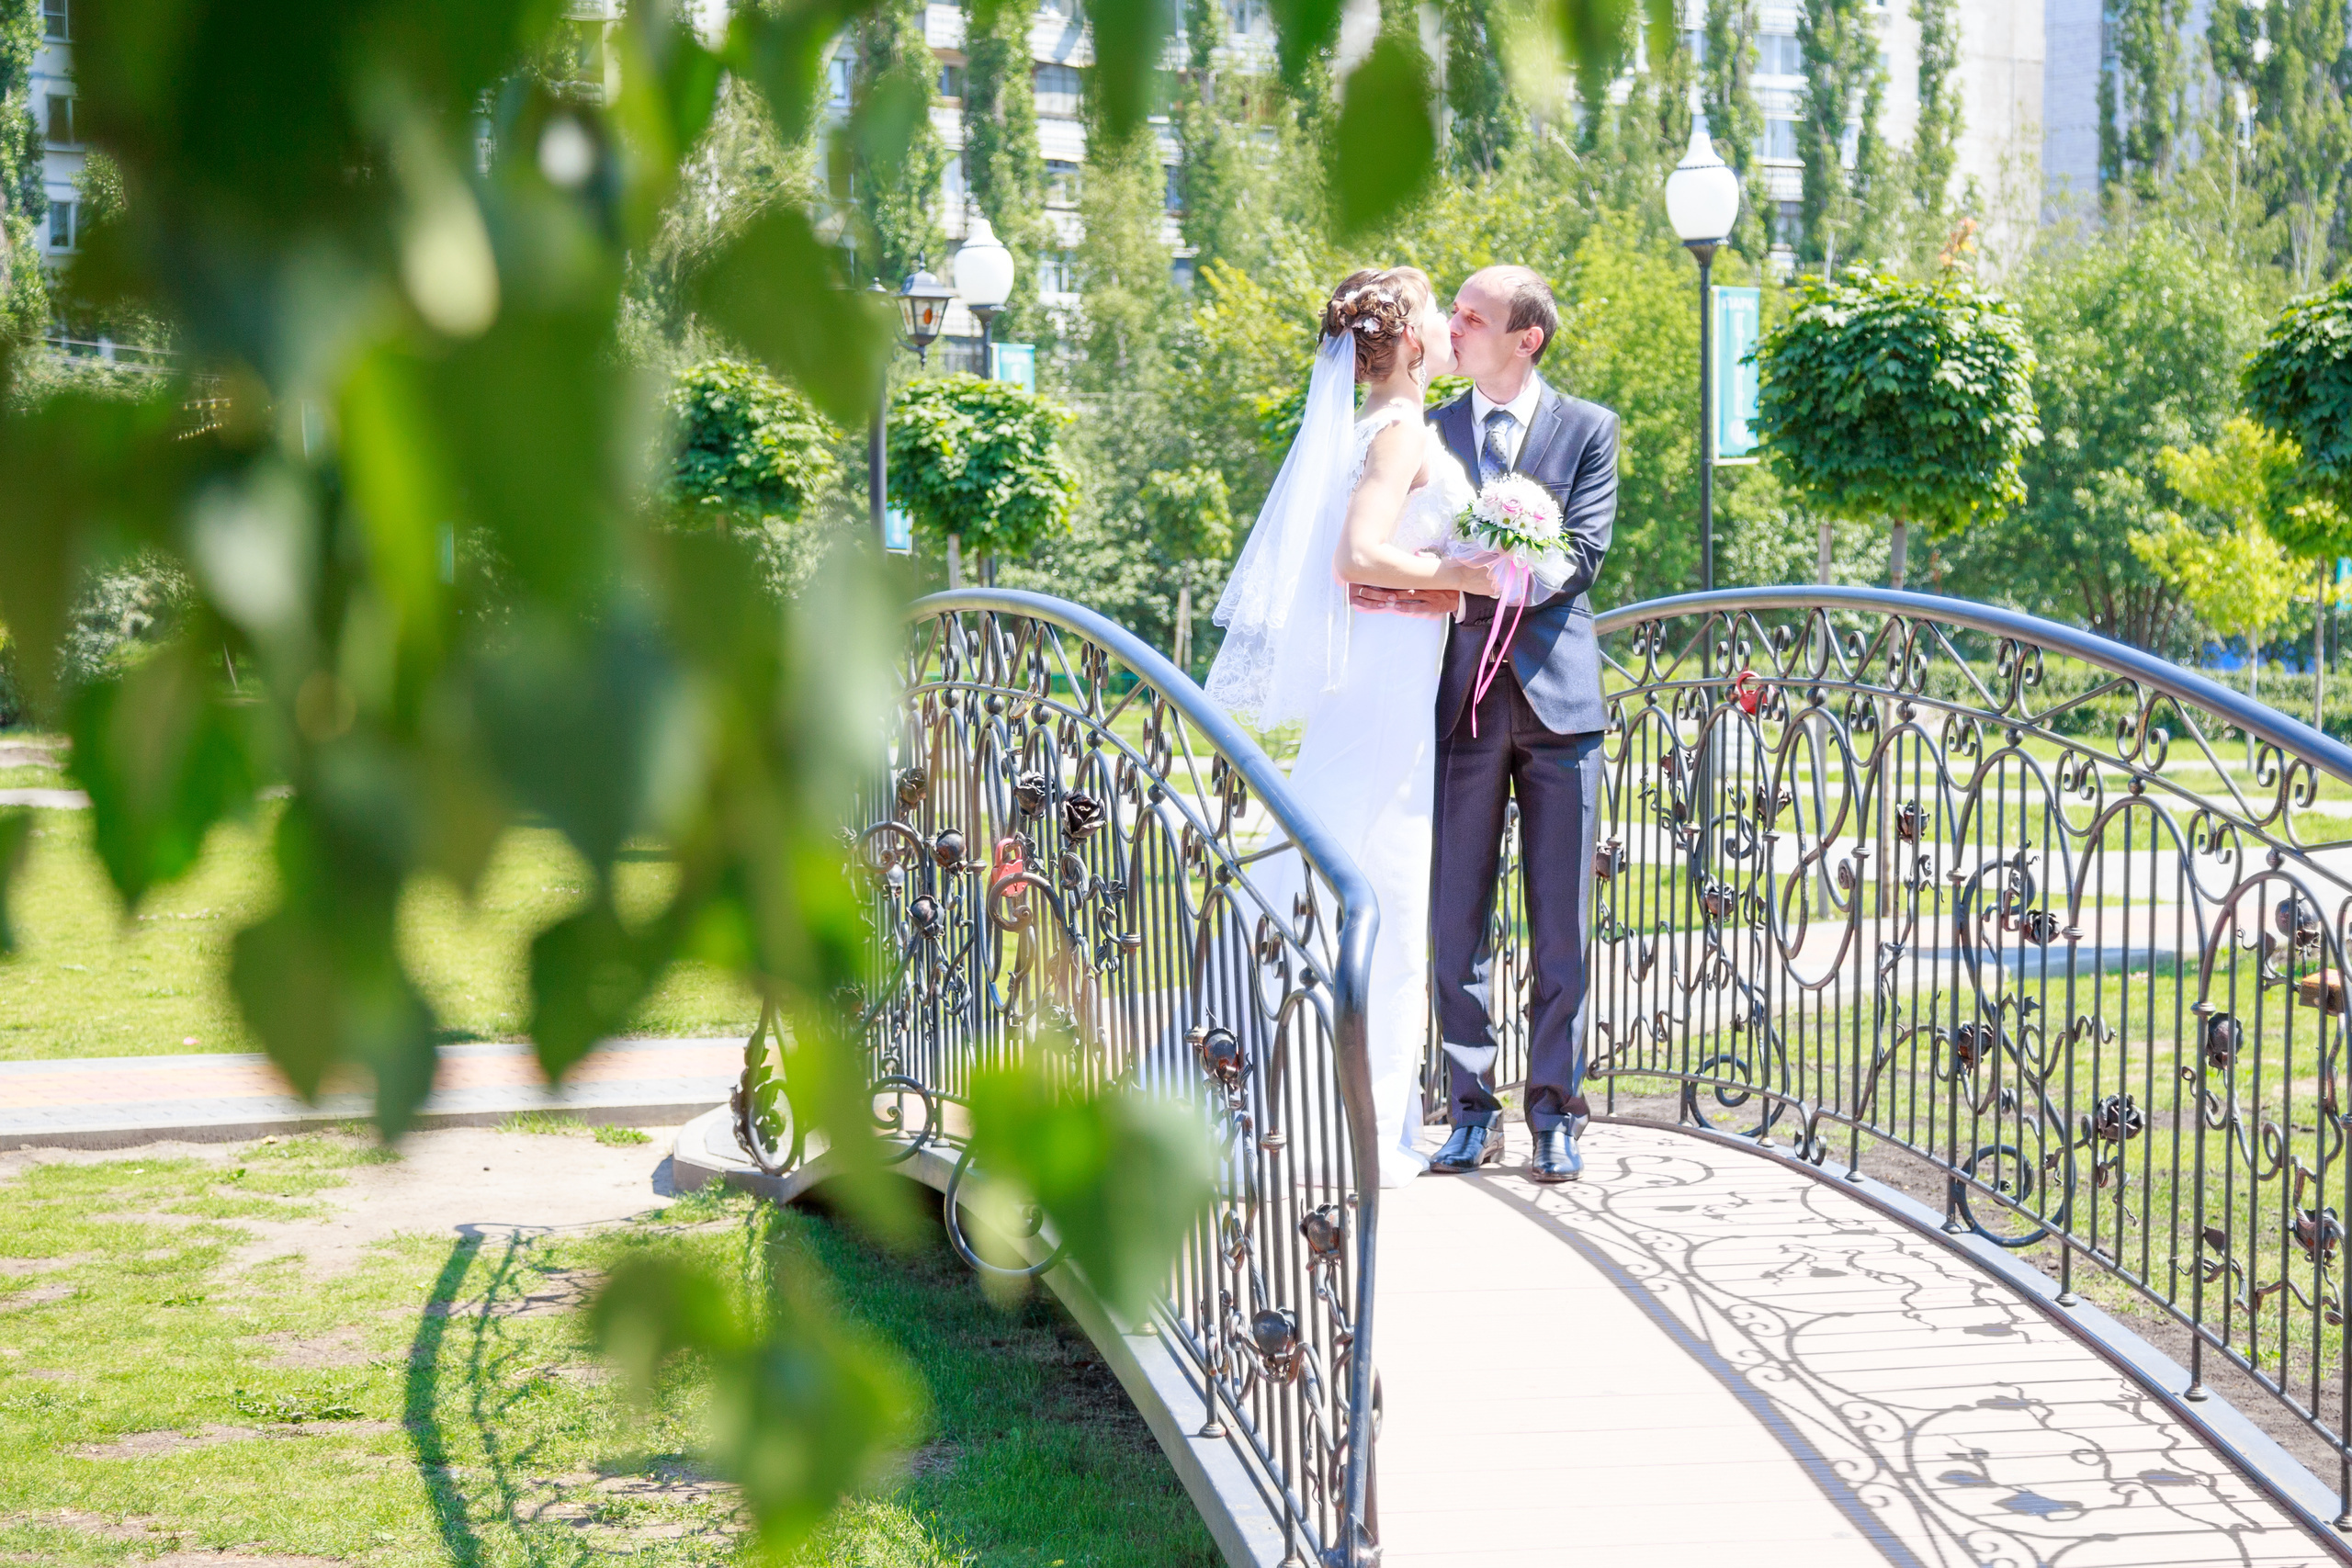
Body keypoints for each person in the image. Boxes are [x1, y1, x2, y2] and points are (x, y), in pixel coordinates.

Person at [1205, 266, 1498, 1189]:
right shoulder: (1402, 427)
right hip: (1380, 694)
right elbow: (1356, 555)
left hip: (1385, 679)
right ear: (1409, 340)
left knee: (1332, 884)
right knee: (1382, 898)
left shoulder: (1365, 425)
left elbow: (1371, 561)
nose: (1451, 325)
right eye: (1435, 313)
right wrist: (1472, 580)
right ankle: (1356, 1132)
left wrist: (1439, 570)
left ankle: (1279, 1103)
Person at [1353, 265, 1620, 1184]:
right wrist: (1459, 562)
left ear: (1525, 337)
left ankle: (1555, 1114)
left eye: (1474, 315)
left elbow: (1579, 558)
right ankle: (1471, 1111)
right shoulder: (1430, 434)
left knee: (1560, 929)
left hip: (1560, 711)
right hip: (1456, 705)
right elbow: (1396, 549)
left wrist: (1495, 557)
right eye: (1452, 313)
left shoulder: (1589, 430)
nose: (1453, 326)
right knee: (1454, 920)